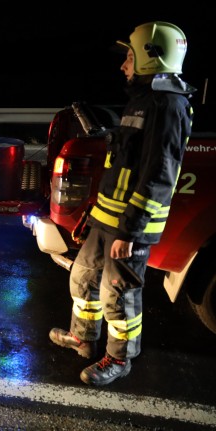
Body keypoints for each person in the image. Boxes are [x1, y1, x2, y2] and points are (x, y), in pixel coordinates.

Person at [49, 22, 196, 386]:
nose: (123, 65)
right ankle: (83, 339)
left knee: (118, 294)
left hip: (129, 225)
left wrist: (130, 230)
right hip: (107, 217)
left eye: (129, 56)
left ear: (150, 57)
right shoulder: (145, 99)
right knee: (83, 278)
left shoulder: (169, 104)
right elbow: (130, 159)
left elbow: (159, 174)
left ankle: (118, 359)